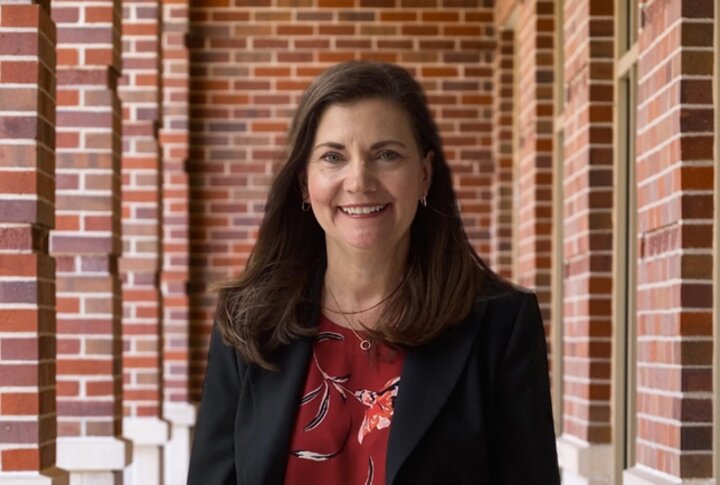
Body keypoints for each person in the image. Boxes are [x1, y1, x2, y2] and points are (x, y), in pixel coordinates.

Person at [187, 61, 560, 485]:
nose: (359, 180)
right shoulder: (246, 323)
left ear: (424, 175)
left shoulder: (501, 327)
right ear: (304, 184)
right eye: (333, 157)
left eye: (386, 155)